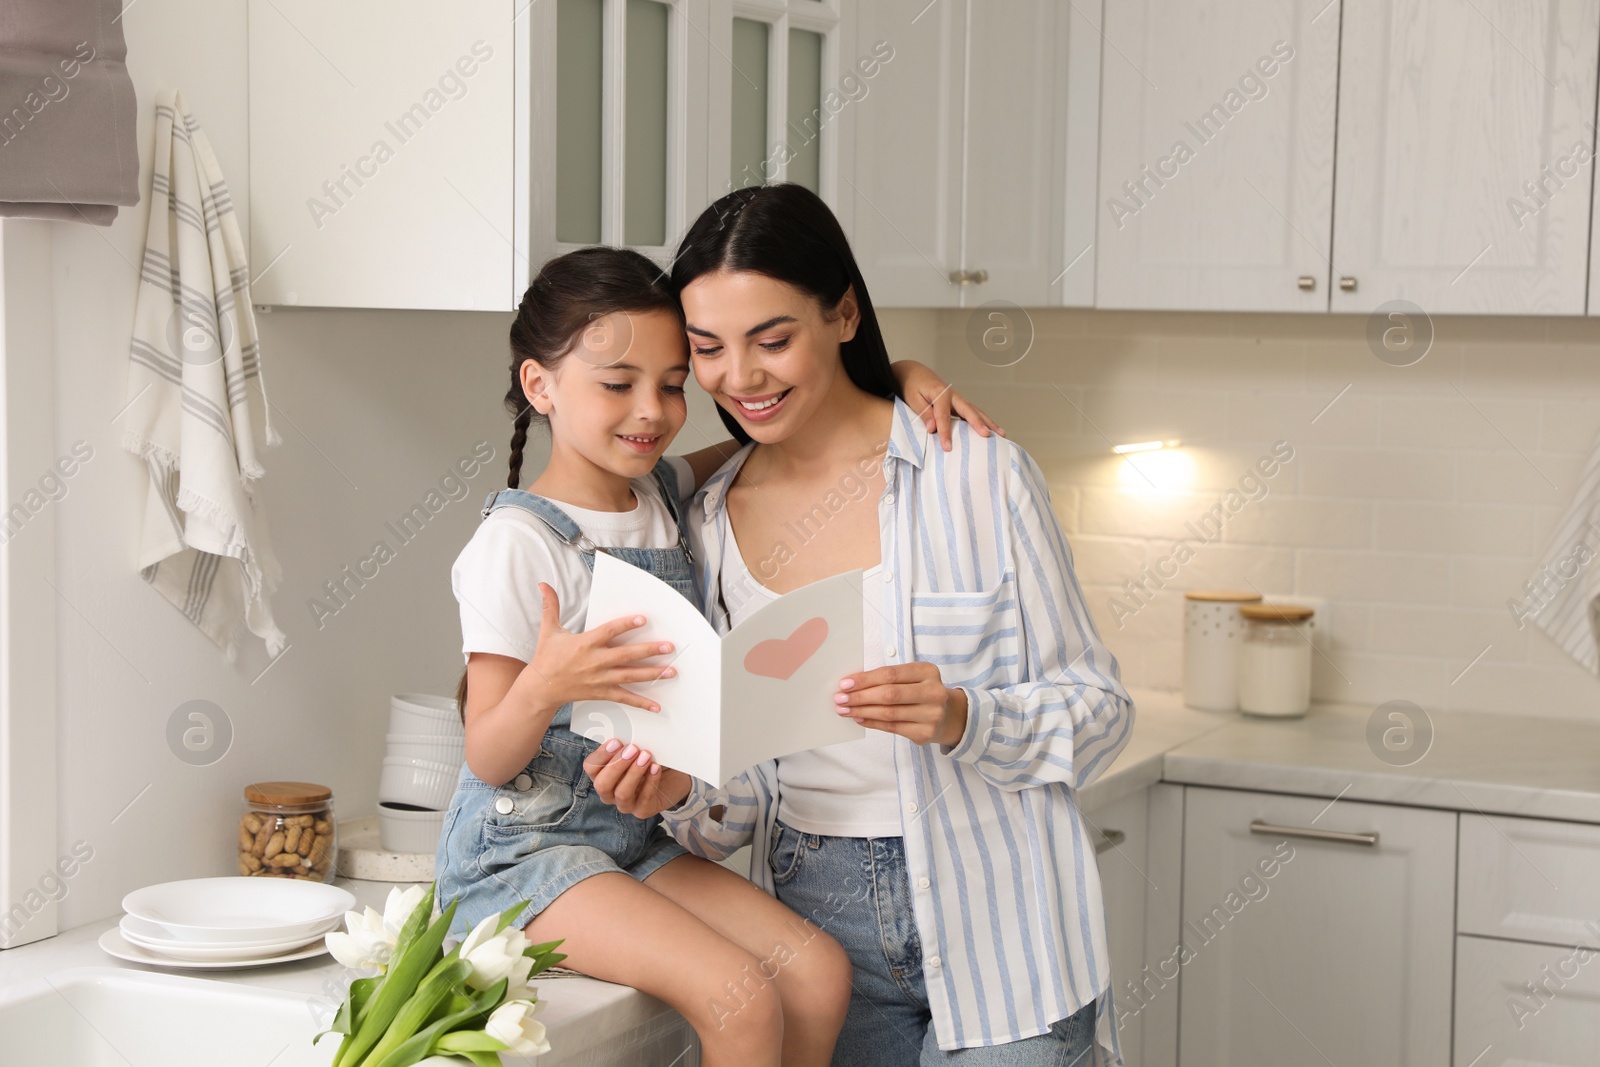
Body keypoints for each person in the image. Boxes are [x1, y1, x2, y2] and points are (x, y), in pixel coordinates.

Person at [584, 185, 1136, 1067]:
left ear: (843, 312)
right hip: (812, 921)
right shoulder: (708, 524)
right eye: (708, 350)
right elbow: (742, 799)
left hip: (1004, 922)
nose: (742, 377)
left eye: (773, 338)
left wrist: (966, 717)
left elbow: (1100, 710)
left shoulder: (976, 474)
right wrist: (680, 793)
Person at [434, 244, 990, 1067]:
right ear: (540, 385)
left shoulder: (658, 492)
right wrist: (545, 683)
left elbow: (777, 435)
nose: (651, 410)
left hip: (630, 837)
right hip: (522, 854)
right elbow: (486, 752)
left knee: (818, 973)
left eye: (670, 383)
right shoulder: (517, 544)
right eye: (617, 384)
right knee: (742, 996)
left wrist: (895, 374)